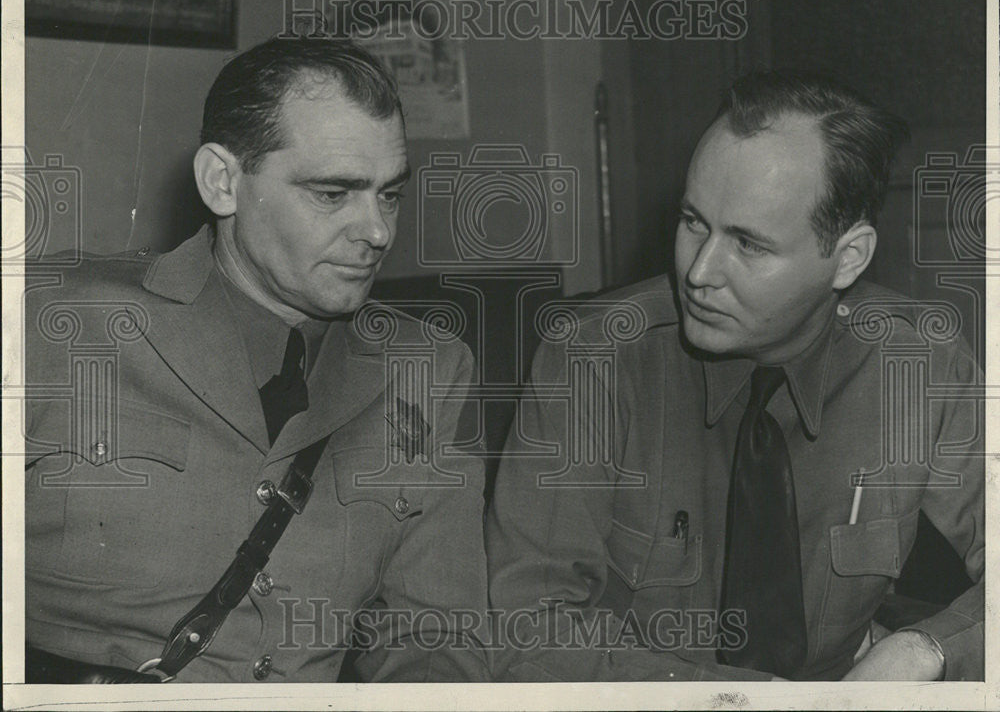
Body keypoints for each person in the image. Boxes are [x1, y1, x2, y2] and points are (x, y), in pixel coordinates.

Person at [487, 71, 983, 681]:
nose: (699, 272)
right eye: (694, 221)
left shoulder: (920, 363)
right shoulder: (592, 361)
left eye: (748, 245)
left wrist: (925, 650)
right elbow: (529, 634)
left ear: (848, 257)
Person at [24, 37, 490, 683]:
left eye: (390, 195)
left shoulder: (427, 369)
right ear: (223, 182)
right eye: (333, 193)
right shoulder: (52, 322)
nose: (377, 231)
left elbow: (434, 638)